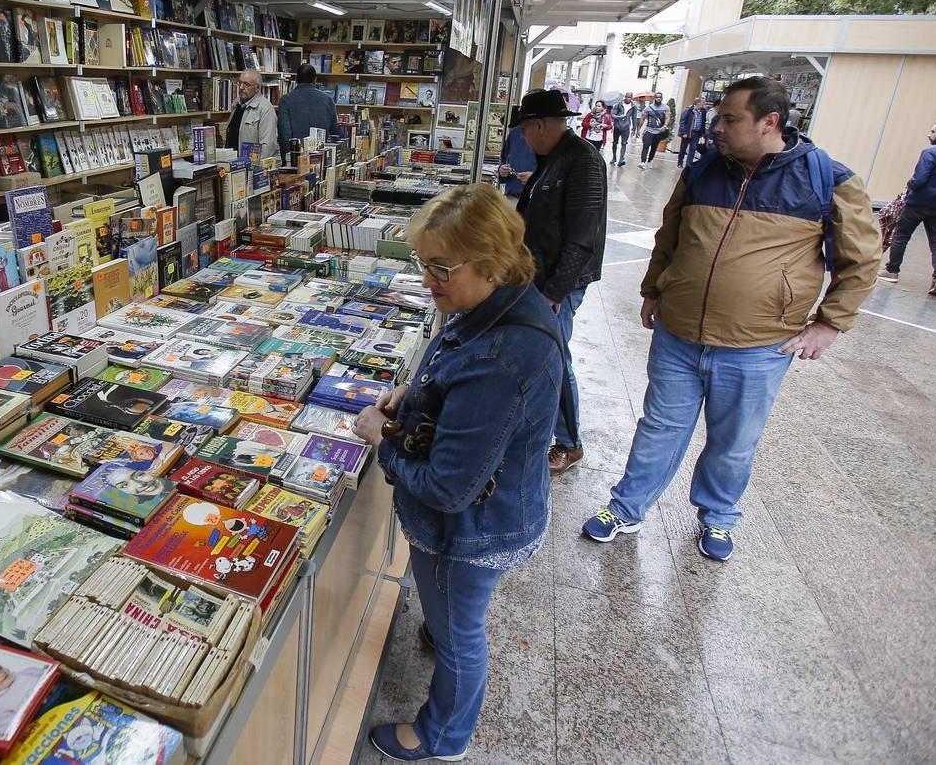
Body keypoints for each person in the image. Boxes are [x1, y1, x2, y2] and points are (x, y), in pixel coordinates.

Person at [582, 76, 881, 561]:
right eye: (719, 117)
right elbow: (670, 236)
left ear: (770, 122)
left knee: (734, 441)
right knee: (659, 426)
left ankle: (718, 518)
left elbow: (862, 260)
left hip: (759, 346)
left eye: (730, 119)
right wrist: (654, 289)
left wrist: (829, 323)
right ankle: (626, 507)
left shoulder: (828, 178)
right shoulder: (703, 170)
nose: (717, 127)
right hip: (679, 335)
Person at [352, 184, 560, 762]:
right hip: (495, 512)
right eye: (424, 264)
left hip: (471, 530)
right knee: (455, 614)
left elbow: (448, 489)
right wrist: (414, 395)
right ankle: (443, 628)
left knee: (461, 634)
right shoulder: (500, 301)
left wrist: (382, 440)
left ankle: (443, 735)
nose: (426, 281)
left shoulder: (500, 356)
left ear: (490, 263)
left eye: (440, 268)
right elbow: (457, 378)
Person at [513, 88, 607, 476]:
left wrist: (556, 291)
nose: (521, 137)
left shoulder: (582, 161)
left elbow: (583, 236)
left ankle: (569, 442)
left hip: (557, 284)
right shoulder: (553, 159)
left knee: (556, 358)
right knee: (544, 354)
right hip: (540, 275)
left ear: (537, 125)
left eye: (524, 129)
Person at [878, 118, 936, 295]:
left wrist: (910, 184)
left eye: (933, 132)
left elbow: (919, 179)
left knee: (901, 236)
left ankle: (892, 270)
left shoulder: (930, 153)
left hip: (918, 203)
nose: (930, 135)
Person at [277, 64, 339, 166]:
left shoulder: (286, 100)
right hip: (322, 160)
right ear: (315, 79)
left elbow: (284, 135)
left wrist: (286, 162)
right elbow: (334, 133)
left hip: (296, 160)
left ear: (296, 79)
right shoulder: (328, 100)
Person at [225, 68, 278, 159]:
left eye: (246, 84)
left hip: (251, 167)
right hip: (233, 164)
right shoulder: (236, 104)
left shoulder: (265, 109)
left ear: (257, 88)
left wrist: (253, 167)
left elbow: (267, 147)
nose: (241, 88)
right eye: (240, 83)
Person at [497, 106, 537, 199]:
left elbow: (557, 174)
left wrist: (535, 179)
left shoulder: (551, 138)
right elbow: (504, 161)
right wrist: (502, 171)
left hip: (536, 199)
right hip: (512, 196)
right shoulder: (514, 134)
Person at [637, 92, 670, 168]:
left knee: (654, 147)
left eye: (660, 97)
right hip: (649, 130)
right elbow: (643, 118)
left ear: (662, 98)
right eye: (657, 97)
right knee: (646, 145)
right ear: (654, 98)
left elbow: (667, 117)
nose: (658, 98)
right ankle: (642, 162)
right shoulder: (648, 108)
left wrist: (665, 126)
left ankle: (649, 161)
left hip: (659, 131)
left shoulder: (666, 108)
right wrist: (638, 129)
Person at [676, 97, 709, 169]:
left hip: (696, 133)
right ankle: (680, 162)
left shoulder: (703, 111)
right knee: (683, 148)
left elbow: (703, 122)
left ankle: (688, 164)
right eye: (703, 102)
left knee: (693, 148)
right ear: (698, 103)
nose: (704, 104)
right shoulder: (689, 110)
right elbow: (682, 121)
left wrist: (702, 134)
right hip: (687, 132)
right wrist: (684, 132)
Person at [608, 93, 636, 166]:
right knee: (615, 142)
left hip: (626, 127)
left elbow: (634, 117)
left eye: (630, 97)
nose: (628, 99)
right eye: (627, 97)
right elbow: (613, 114)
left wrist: (634, 128)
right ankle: (614, 157)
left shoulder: (633, 106)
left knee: (624, 143)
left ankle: (621, 159)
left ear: (631, 98)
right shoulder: (619, 104)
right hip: (617, 126)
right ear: (625, 97)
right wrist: (619, 117)